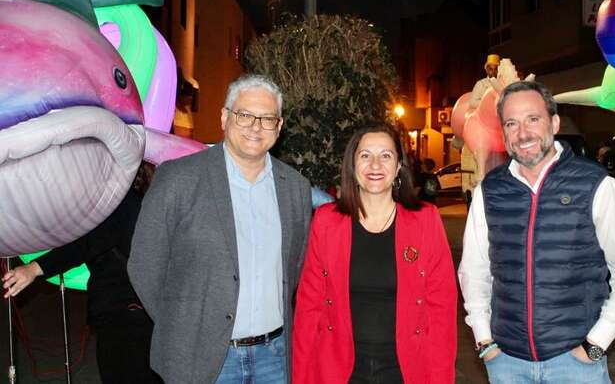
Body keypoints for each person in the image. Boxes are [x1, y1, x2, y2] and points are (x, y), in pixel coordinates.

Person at [458, 80, 615, 384]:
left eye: (533, 119)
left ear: (555, 123)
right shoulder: (490, 191)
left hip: (575, 366)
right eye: (511, 123)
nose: (523, 133)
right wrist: (484, 340)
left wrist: (596, 344)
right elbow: (474, 271)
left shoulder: (595, 185)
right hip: (507, 364)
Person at [128, 74, 313, 384]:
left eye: (267, 119)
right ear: (225, 117)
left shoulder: (295, 188)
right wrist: (182, 325)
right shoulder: (178, 179)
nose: (256, 127)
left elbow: (294, 268)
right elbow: (145, 265)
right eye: (245, 115)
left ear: (279, 127)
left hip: (274, 357)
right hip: (201, 358)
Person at [292, 124, 457, 383]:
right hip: (339, 369)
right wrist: (301, 377)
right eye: (365, 155)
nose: (375, 164)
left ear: (398, 166)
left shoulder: (425, 220)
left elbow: (442, 310)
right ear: (352, 165)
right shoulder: (326, 222)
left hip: (406, 369)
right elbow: (308, 308)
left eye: (386, 155)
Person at [2, 163, 161, 383]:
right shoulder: (138, 201)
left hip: (125, 315)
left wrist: (33, 269)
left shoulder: (119, 205)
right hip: (136, 312)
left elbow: (84, 245)